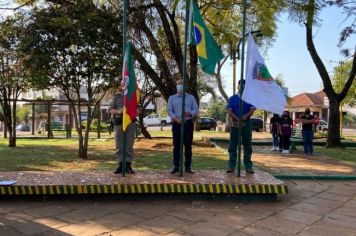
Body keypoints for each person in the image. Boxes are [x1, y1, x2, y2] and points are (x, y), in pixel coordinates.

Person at [168, 79, 199, 174]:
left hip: (188, 124)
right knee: (176, 146)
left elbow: (196, 109)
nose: (180, 85)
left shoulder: (191, 98)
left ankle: (188, 167)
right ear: (176, 85)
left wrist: (190, 113)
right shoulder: (171, 98)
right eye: (178, 84)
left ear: (185, 86)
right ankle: (176, 166)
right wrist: (176, 119)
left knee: (188, 146)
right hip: (176, 124)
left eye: (182, 84)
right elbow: (169, 110)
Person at [226, 80, 256, 174]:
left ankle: (248, 166)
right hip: (235, 123)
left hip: (247, 123)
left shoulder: (250, 98)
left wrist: (245, 117)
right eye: (240, 85)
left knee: (247, 145)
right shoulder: (232, 98)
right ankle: (231, 166)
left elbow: (252, 110)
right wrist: (237, 119)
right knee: (232, 145)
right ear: (237, 86)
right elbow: (229, 111)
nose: (242, 87)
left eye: (244, 85)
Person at [109, 84, 136, 174]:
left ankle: (128, 165)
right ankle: (121, 164)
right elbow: (110, 110)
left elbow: (138, 109)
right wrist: (120, 111)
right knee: (119, 145)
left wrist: (131, 112)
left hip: (130, 123)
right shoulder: (116, 97)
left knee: (129, 145)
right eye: (123, 83)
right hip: (119, 123)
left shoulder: (134, 95)